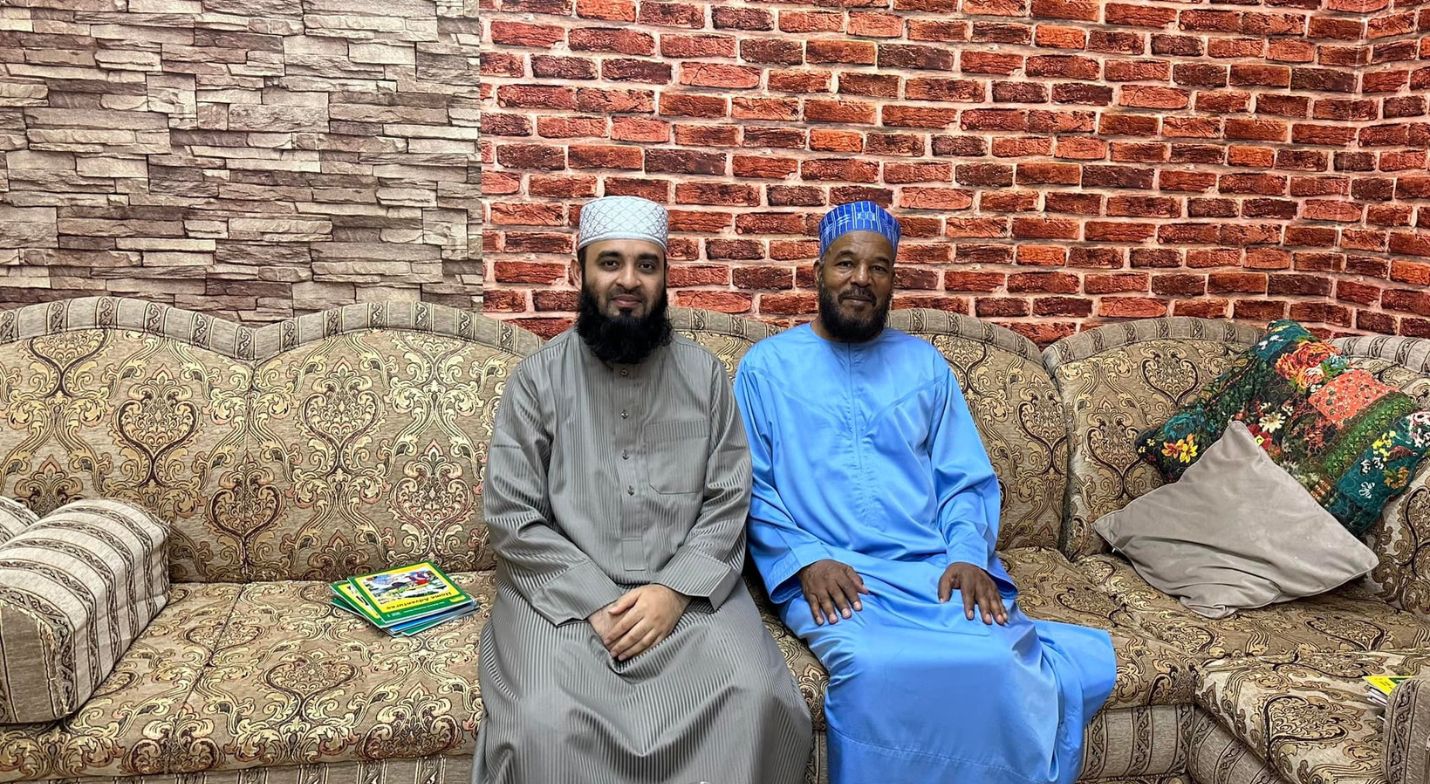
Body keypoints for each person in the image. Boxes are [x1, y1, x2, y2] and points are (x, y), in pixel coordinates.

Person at [732, 200, 1116, 784]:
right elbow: (751, 486)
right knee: (872, 666)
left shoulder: (924, 365)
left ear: (893, 281)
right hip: (836, 577)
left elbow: (964, 480)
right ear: (818, 272)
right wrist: (805, 560)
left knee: (999, 659)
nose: (861, 279)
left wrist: (966, 554)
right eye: (845, 263)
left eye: (879, 268)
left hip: (928, 568)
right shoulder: (766, 368)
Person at [473, 195, 811, 784]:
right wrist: (595, 601)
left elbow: (729, 498)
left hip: (689, 597)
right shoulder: (537, 379)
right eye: (611, 262)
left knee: (756, 697)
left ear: (664, 277)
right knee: (541, 722)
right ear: (580, 271)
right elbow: (511, 512)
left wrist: (673, 592)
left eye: (646, 265)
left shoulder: (705, 375)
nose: (628, 280)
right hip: (563, 599)